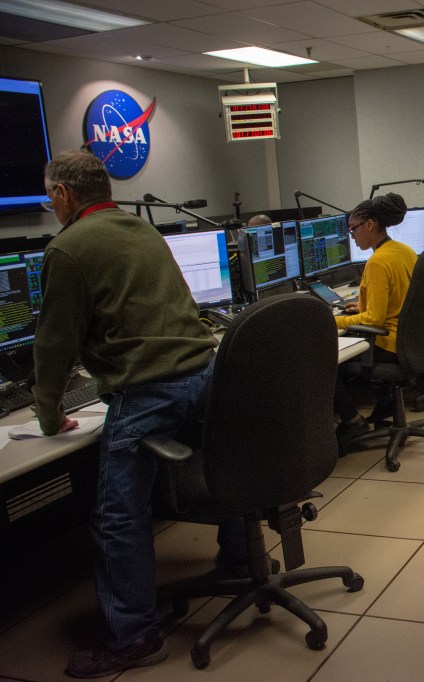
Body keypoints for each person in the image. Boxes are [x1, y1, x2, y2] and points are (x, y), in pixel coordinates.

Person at [31, 151, 246, 678]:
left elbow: (54, 343)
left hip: (148, 389)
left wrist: (47, 411)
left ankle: (133, 637)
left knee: (116, 517)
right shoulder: (143, 230)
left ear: (63, 195)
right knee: (230, 463)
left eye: (49, 196)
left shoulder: (68, 247)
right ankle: (241, 558)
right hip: (204, 371)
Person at [333, 193, 417, 444]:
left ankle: (351, 421)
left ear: (369, 224)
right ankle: (385, 403)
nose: (352, 235)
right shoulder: (404, 251)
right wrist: (363, 306)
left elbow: (373, 321)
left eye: (353, 229)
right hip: (411, 338)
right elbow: (401, 297)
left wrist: (332, 321)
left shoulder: (377, 262)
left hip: (390, 343)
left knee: (325, 361)